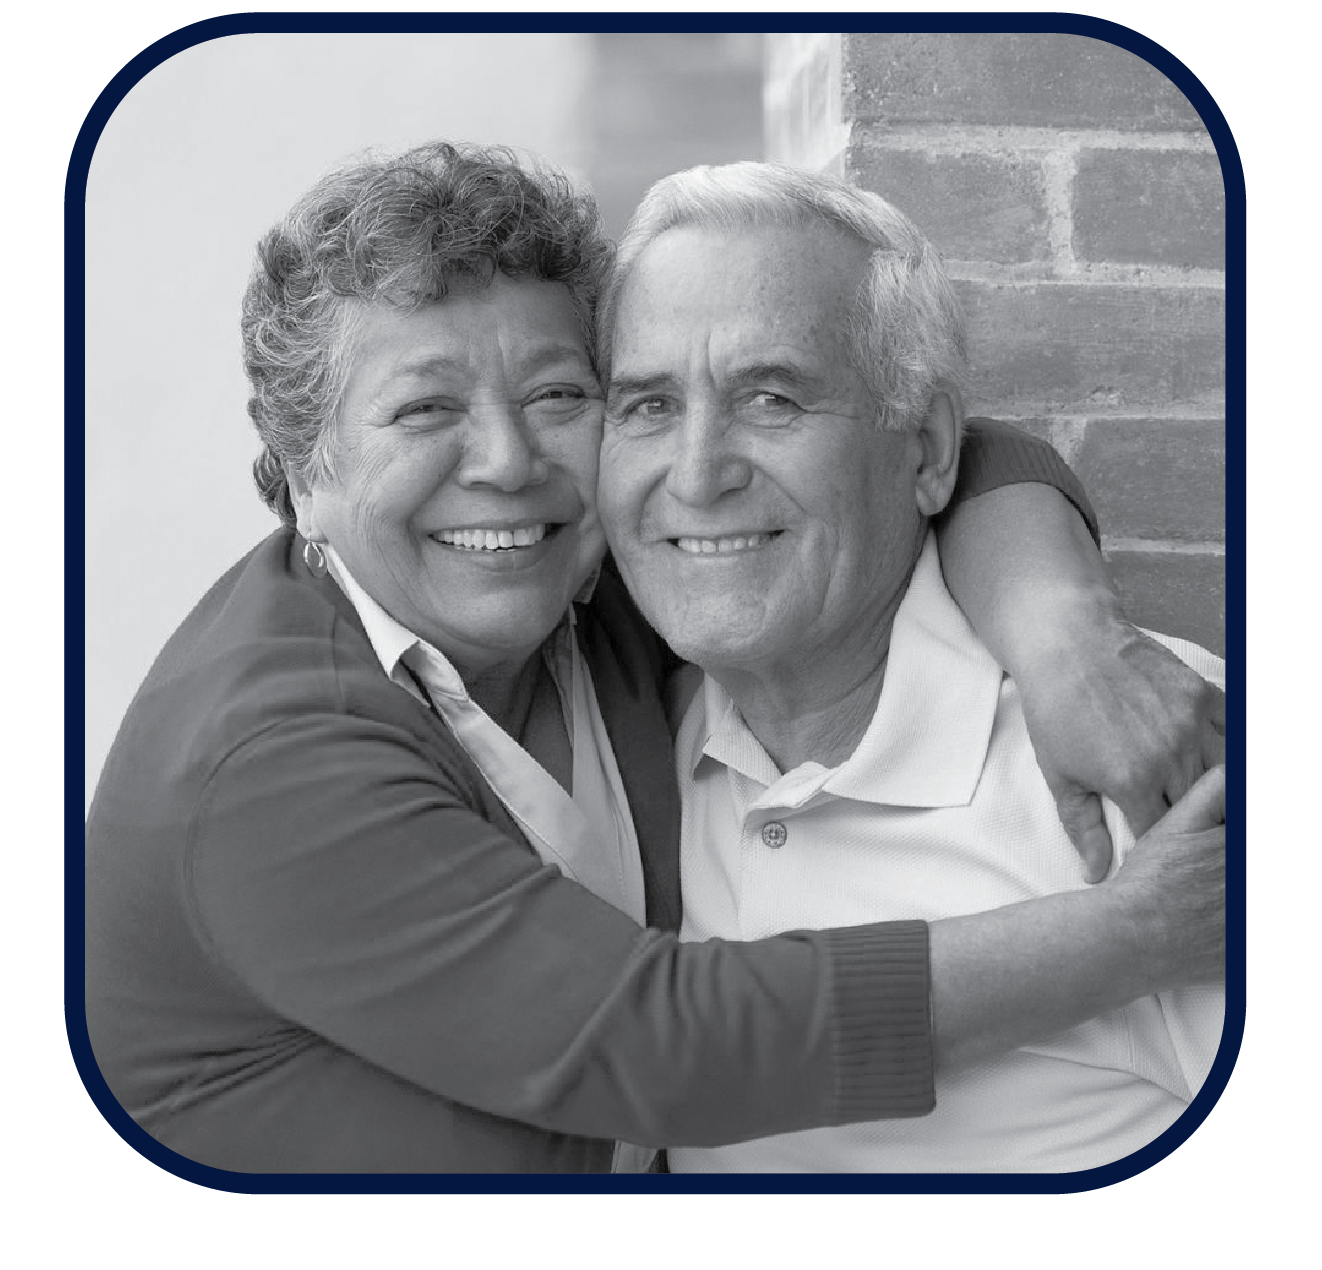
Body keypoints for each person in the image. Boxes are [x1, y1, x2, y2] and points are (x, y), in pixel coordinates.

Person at [84, 142, 1225, 1175]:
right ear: (300, 461)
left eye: (557, 395)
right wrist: (1131, 930)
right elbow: (666, 1043)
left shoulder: (602, 598)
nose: (506, 459)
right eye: (423, 409)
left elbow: (940, 458)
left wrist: (1064, 633)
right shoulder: (264, 760)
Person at [596, 160, 1227, 1173]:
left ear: (926, 450)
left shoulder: (1139, 756)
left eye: (771, 398)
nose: (696, 471)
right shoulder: (622, 729)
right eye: (645, 405)